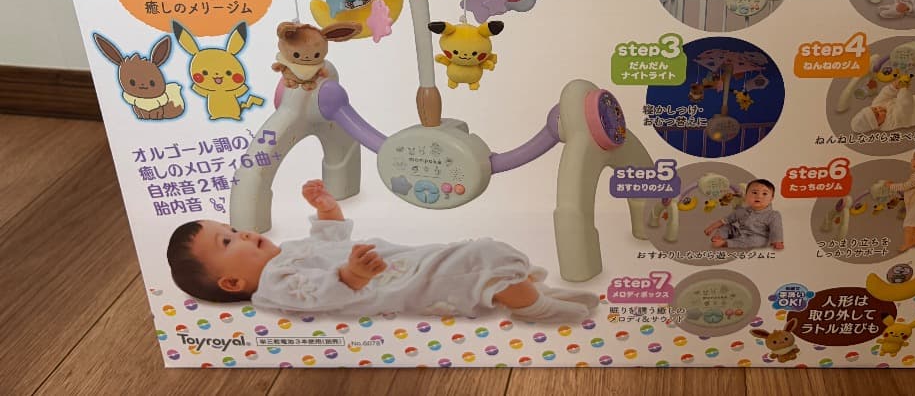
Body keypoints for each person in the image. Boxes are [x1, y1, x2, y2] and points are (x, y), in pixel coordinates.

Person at [167, 180, 596, 321]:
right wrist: (352, 275)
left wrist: (327, 210)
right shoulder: (275, 287)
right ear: (232, 282)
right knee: (479, 260)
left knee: (473, 253)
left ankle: (531, 292)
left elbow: (329, 242)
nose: (243, 234)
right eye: (228, 241)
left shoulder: (289, 251)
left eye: (233, 229)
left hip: (408, 262)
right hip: (410, 286)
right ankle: (535, 307)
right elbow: (322, 295)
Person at [703, 179, 784, 250]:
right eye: (754, 192)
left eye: (764, 194)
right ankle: (719, 237)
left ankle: (726, 243)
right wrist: (711, 228)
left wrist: (777, 241)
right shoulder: (742, 211)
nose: (759, 196)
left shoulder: (773, 215)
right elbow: (724, 220)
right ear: (746, 196)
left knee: (758, 241)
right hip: (739, 233)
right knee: (726, 226)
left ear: (771, 198)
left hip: (758, 236)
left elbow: (776, 229)